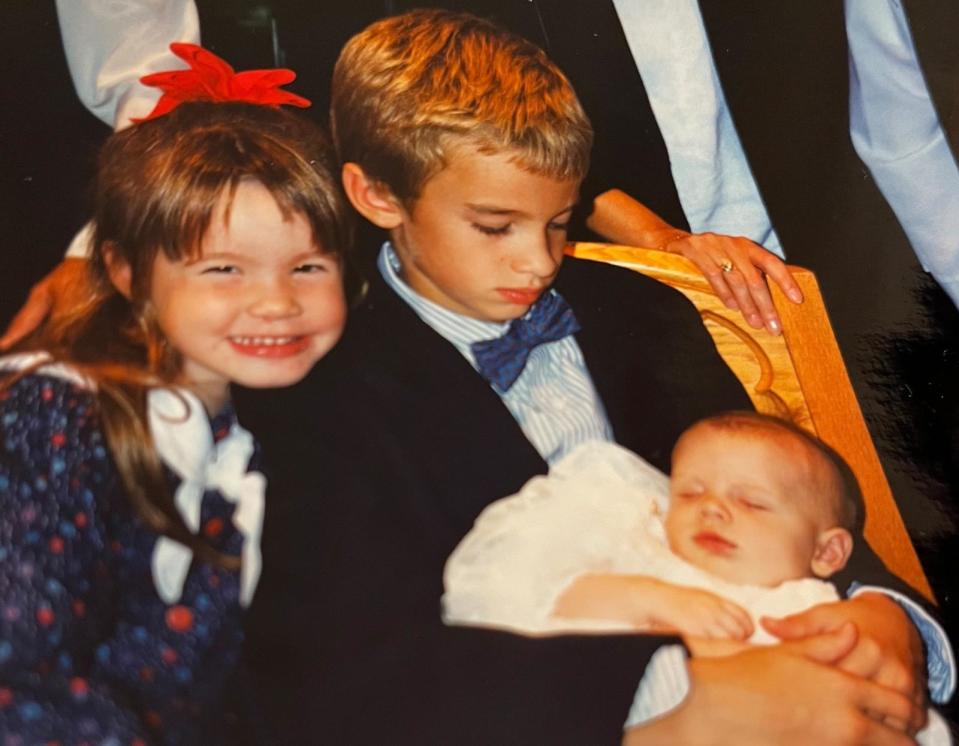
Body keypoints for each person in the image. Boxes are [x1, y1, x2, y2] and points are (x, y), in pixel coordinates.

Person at [232, 10, 942, 743]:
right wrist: (693, 706)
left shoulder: (640, 311)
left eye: (559, 222)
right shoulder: (318, 384)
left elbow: (781, 492)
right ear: (378, 195)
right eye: (494, 225)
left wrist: (887, 616)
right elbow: (364, 668)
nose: (538, 262)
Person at [0, 45, 352, 744]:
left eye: (308, 265)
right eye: (225, 269)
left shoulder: (244, 433)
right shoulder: (59, 421)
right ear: (126, 273)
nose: (277, 303)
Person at [443, 411, 954, 741]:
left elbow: (905, 722)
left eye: (752, 502)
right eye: (689, 493)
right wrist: (646, 598)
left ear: (827, 552)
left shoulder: (821, 613)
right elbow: (525, 602)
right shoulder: (646, 560)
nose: (711, 511)